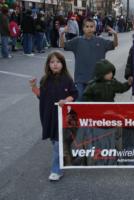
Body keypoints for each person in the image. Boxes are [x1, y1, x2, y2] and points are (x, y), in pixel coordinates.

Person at [29, 51, 78, 181]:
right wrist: (34, 87)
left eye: (58, 62)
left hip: (63, 117)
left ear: (63, 64)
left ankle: (57, 170)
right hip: (48, 116)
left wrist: (66, 100)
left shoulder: (67, 79)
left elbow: (74, 94)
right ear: (48, 64)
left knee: (58, 144)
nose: (55, 64)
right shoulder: (44, 79)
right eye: (52, 62)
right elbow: (42, 97)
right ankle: (65, 154)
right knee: (55, 141)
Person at [61, 17, 118, 100]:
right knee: (79, 103)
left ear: (95, 28)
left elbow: (114, 44)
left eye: (91, 26)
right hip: (80, 80)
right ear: (83, 28)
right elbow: (63, 45)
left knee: (95, 106)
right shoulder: (77, 41)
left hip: (97, 80)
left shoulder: (101, 41)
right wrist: (62, 34)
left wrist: (115, 35)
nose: (89, 29)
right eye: (87, 26)